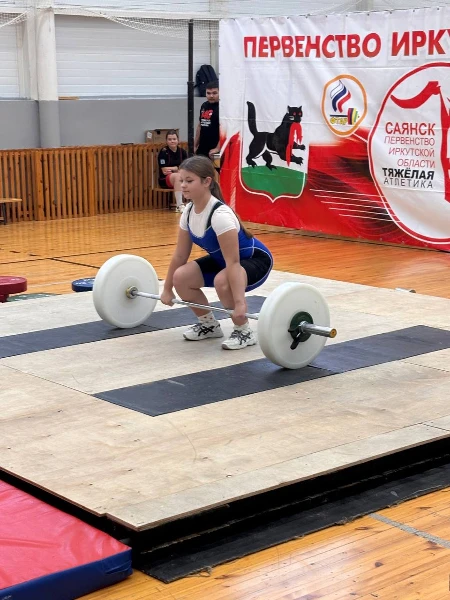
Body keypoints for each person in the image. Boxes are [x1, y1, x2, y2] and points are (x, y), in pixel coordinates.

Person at [160, 155, 273, 350]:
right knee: (181, 277)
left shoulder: (220, 216)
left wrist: (240, 304)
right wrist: (167, 289)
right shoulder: (188, 212)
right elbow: (180, 256)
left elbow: (233, 263)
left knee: (223, 281)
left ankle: (244, 331)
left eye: (189, 181)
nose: (183, 185)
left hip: (255, 260)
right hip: (225, 261)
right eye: (182, 180)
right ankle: (209, 325)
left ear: (207, 182)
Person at [157, 130, 188, 212]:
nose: (172, 141)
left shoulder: (182, 152)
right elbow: (164, 169)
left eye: (174, 139)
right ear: (166, 141)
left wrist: (173, 168)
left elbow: (186, 167)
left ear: (178, 140)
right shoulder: (163, 152)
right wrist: (178, 168)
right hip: (165, 179)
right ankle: (179, 205)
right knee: (178, 176)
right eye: (170, 139)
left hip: (182, 176)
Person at [194, 81, 220, 160]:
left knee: (214, 168)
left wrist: (218, 148)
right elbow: (200, 126)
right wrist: (195, 145)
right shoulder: (204, 105)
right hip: (202, 148)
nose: (211, 96)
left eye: (214, 93)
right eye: (208, 93)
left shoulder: (223, 107)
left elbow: (225, 130)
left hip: (214, 149)